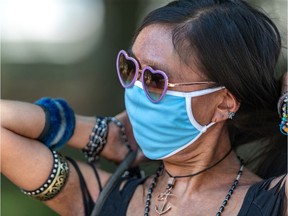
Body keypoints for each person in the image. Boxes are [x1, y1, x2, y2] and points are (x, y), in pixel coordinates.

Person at [1, 0, 287, 215]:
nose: (135, 90)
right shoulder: (107, 198)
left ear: (224, 102)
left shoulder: (273, 202)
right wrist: (104, 134)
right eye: (131, 68)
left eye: (154, 79)